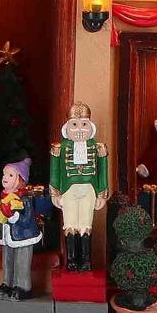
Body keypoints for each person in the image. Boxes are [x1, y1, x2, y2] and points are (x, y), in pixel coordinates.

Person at [0, 158, 46, 299]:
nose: (5, 178)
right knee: (7, 261)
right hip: (7, 236)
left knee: (21, 262)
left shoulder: (24, 200)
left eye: (10, 175)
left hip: (23, 237)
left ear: (20, 180)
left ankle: (22, 286)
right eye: (4, 174)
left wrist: (12, 216)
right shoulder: (4, 198)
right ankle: (7, 284)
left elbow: (26, 220)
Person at [49, 102, 108, 272]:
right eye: (74, 124)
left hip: (89, 189)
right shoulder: (59, 148)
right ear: (67, 127)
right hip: (68, 190)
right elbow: (55, 171)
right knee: (70, 224)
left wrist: (101, 193)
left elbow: (102, 171)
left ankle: (86, 260)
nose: (80, 129)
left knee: (86, 224)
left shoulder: (98, 148)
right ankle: (72, 260)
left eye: (84, 124)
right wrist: (55, 192)